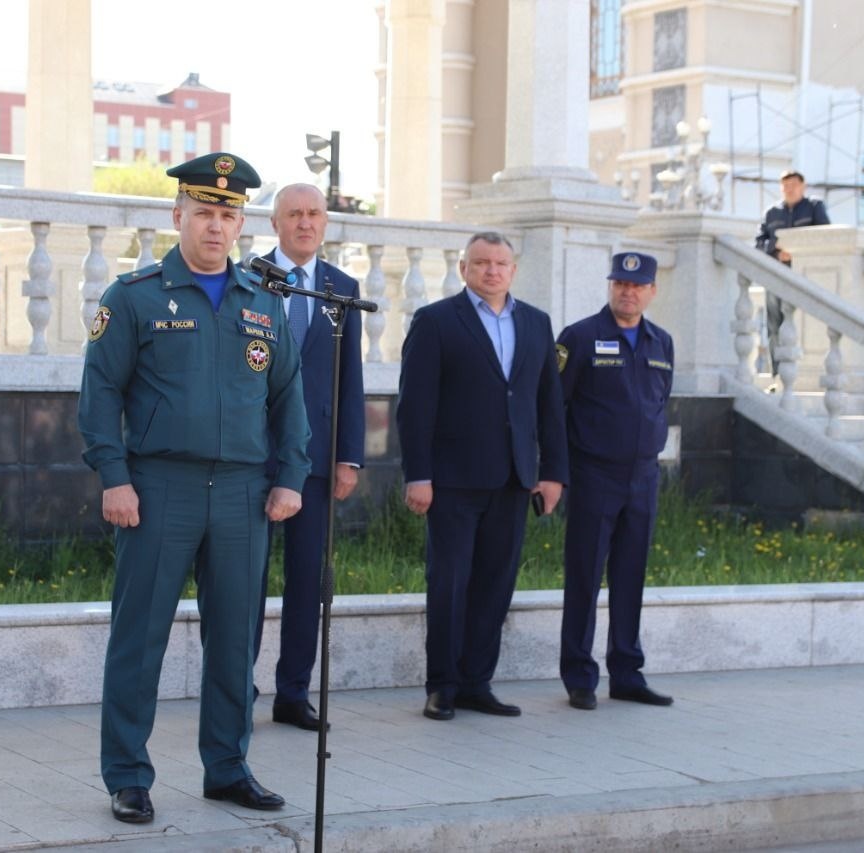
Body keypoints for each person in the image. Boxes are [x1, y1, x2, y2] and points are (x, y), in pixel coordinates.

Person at [78, 151, 310, 823]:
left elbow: (288, 398)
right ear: (177, 214)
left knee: (236, 640)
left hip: (242, 491)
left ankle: (228, 766)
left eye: (228, 214)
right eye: (203, 212)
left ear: (242, 224)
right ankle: (127, 773)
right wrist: (113, 477)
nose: (215, 226)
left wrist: (290, 476)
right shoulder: (136, 296)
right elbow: (99, 394)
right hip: (158, 487)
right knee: (139, 635)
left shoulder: (264, 303)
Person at [397, 231, 568, 721]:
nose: (491, 271)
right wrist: (418, 475)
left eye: (500, 263)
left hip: (514, 478)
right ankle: (442, 686)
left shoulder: (536, 323)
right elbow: (415, 407)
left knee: (495, 584)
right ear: (463, 268)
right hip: (450, 480)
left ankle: (477, 682)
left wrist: (552, 472)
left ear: (513, 270)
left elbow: (548, 405)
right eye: (481, 263)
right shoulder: (435, 321)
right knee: (449, 583)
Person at [254, 183, 365, 732]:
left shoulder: (342, 289)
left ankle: (293, 692)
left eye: (314, 214)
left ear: (325, 223)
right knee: (243, 577)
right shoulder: (248, 278)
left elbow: (350, 378)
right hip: (250, 455)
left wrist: (350, 455)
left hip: (317, 459)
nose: (304, 222)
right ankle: (234, 684)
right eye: (293, 214)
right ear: (274, 223)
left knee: (307, 579)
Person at [557, 251, 675, 711]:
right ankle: (580, 676)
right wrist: (557, 473)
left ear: (651, 291)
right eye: (620, 284)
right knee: (585, 576)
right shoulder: (581, 337)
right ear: (610, 286)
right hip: (594, 475)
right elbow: (556, 408)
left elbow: (661, 401)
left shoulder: (661, 341)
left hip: (643, 476)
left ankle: (626, 672)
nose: (628, 292)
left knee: (631, 576)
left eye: (637, 285)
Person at [754, 169, 829, 373]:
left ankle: (806, 371)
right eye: (785, 186)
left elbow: (826, 238)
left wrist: (798, 254)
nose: (789, 190)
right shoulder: (772, 213)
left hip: (806, 277)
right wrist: (777, 251)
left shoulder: (814, 207)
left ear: (802, 186)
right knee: (774, 325)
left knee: (806, 325)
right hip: (777, 276)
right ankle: (777, 373)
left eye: (793, 185)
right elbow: (759, 244)